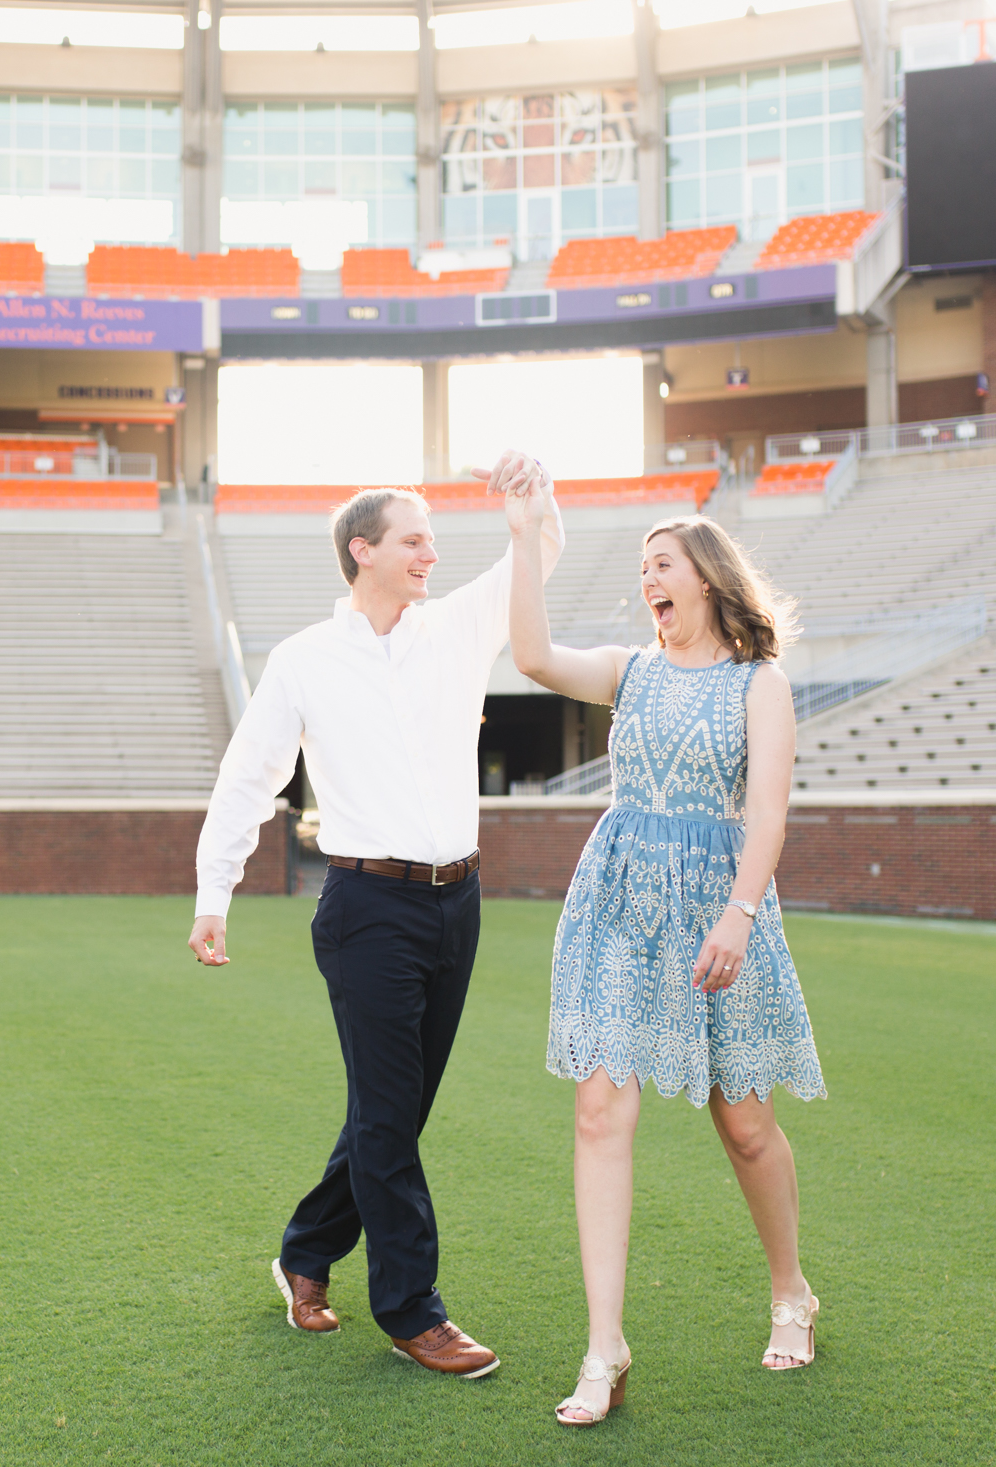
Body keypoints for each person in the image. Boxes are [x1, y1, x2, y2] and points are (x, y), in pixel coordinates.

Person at [188, 453, 563, 1380]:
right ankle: (412, 1310)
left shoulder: (456, 628)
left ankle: (305, 1251)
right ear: (363, 551)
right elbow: (250, 776)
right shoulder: (306, 659)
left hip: (457, 903)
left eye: (434, 538)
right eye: (414, 538)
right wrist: (214, 892)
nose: (432, 552)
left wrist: (532, 506)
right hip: (366, 909)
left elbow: (538, 559)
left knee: (393, 1112)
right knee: (391, 1115)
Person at [505, 510, 826, 1426]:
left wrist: (736, 915)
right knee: (601, 1106)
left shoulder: (759, 684)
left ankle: (790, 1289)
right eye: (643, 569)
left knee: (747, 1125)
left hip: (721, 910)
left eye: (663, 565)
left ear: (710, 580)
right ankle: (604, 1344)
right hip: (619, 899)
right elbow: (530, 654)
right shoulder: (629, 670)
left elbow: (767, 816)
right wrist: (524, 534)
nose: (649, 581)